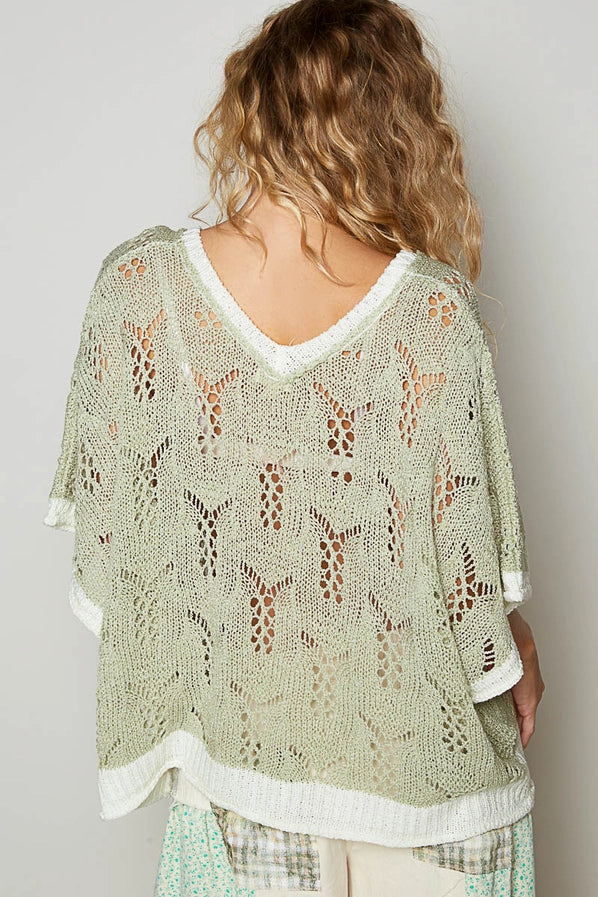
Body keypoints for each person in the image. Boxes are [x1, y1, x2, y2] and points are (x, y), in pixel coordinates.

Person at [43, 1, 545, 895]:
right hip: (431, 808)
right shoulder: (432, 319)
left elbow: (126, 571)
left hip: (241, 796)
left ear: (253, 107)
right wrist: (516, 644)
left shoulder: (140, 294)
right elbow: (470, 612)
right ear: (397, 127)